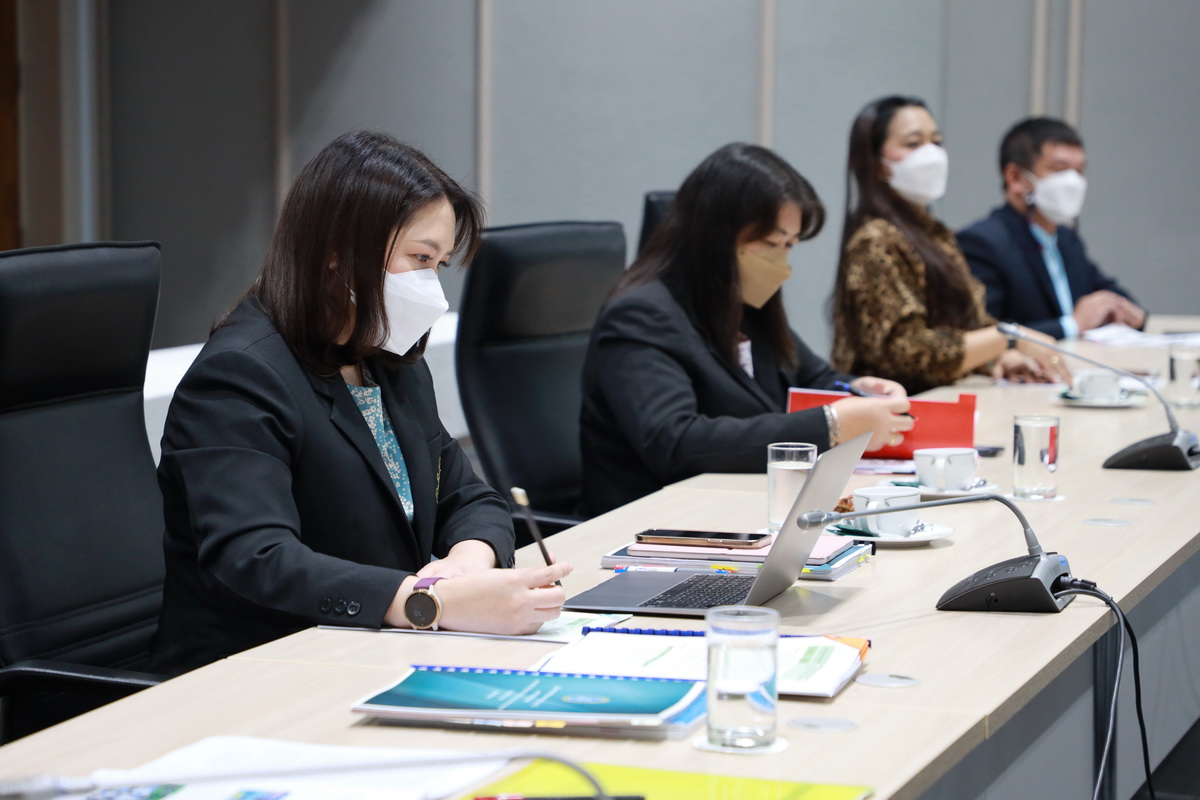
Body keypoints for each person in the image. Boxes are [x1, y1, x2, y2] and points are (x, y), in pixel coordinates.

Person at [149, 131, 570, 676]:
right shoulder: (240, 375)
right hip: (258, 671)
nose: (432, 286)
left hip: (374, 652)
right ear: (338, 252)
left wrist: (468, 561)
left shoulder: (389, 361)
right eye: (420, 257)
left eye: (439, 264)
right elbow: (258, 559)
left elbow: (468, 496)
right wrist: (427, 602)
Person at [579, 142, 913, 517]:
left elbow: (812, 377)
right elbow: (676, 442)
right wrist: (832, 425)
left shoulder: (746, 303)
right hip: (655, 520)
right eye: (771, 243)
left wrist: (858, 389)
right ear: (716, 235)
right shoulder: (640, 314)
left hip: (743, 508)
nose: (782, 262)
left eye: (789, 245)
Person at [830, 95, 1070, 395]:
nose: (930, 153)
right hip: (892, 409)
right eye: (913, 143)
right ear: (877, 164)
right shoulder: (875, 241)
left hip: (943, 399)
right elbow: (905, 353)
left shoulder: (934, 234)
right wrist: (1008, 338)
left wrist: (997, 358)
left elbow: (967, 325)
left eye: (936, 141)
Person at [957, 117, 1145, 339]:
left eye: (1079, 171)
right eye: (1059, 169)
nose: (1073, 182)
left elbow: (1113, 295)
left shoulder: (1066, 239)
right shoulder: (982, 242)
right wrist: (1071, 326)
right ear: (1015, 178)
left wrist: (1132, 314)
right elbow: (985, 335)